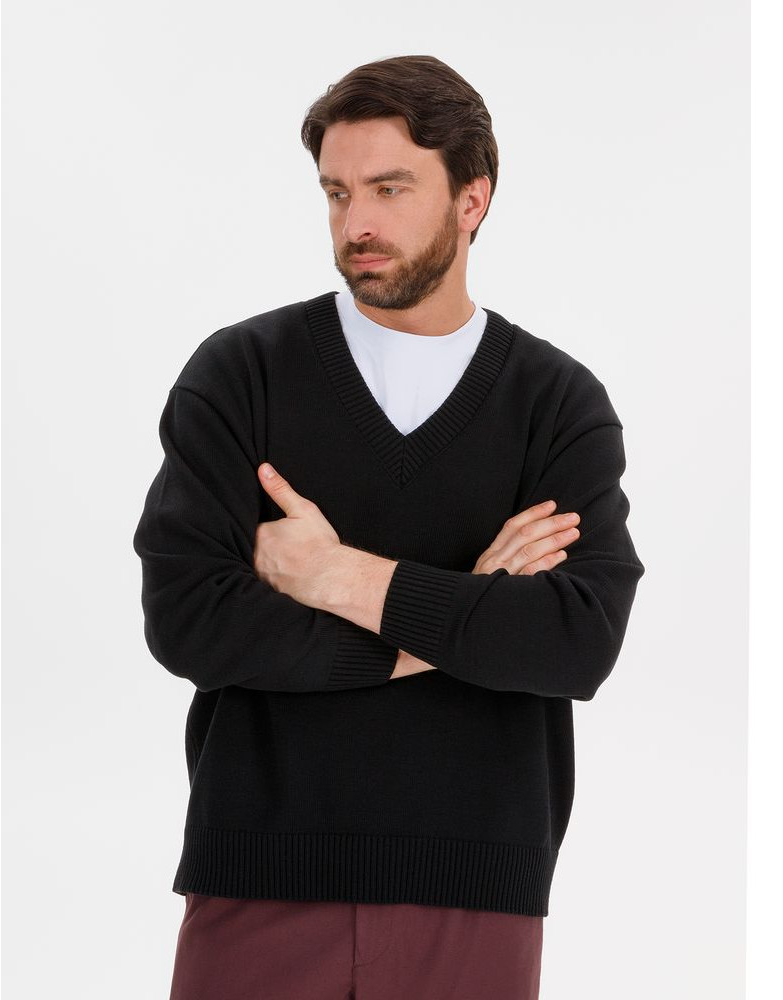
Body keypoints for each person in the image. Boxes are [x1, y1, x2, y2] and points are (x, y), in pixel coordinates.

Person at [133, 54, 645, 1000]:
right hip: (259, 876)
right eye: (336, 192)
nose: (354, 224)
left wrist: (338, 578)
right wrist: (469, 612)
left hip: (476, 887)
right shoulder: (240, 374)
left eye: (389, 189)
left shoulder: (557, 404)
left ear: (472, 199)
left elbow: (576, 642)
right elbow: (190, 619)